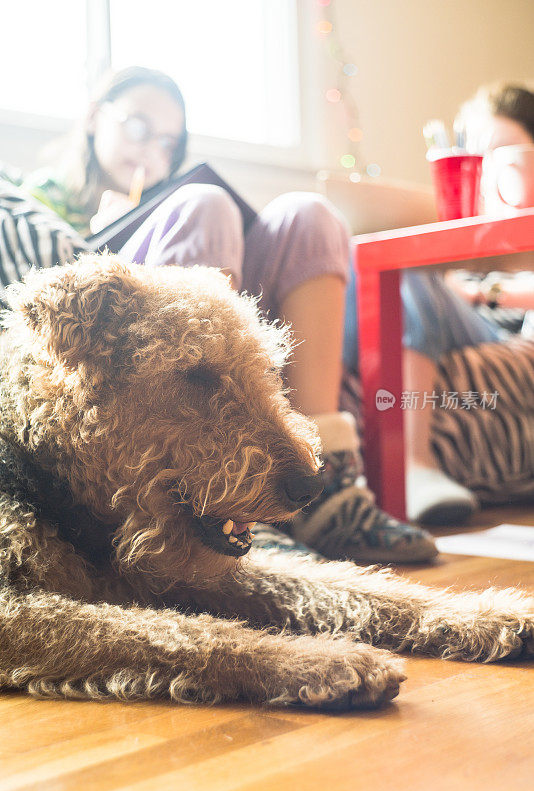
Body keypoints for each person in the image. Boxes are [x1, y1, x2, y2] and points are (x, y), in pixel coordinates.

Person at [21, 65, 437, 565]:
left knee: (310, 215)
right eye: (139, 128)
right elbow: (40, 310)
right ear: (93, 117)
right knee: (205, 203)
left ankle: (329, 484)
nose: (153, 150)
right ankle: (226, 498)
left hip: (202, 303)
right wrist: (98, 233)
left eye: (169, 142)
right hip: (124, 327)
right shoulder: (32, 197)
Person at [395, 83, 534, 524]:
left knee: (414, 272)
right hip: (450, 323)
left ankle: (414, 464)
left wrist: (477, 291)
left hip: (498, 333)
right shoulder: (466, 239)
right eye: (481, 154)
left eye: (509, 153)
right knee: (398, 269)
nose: (495, 169)